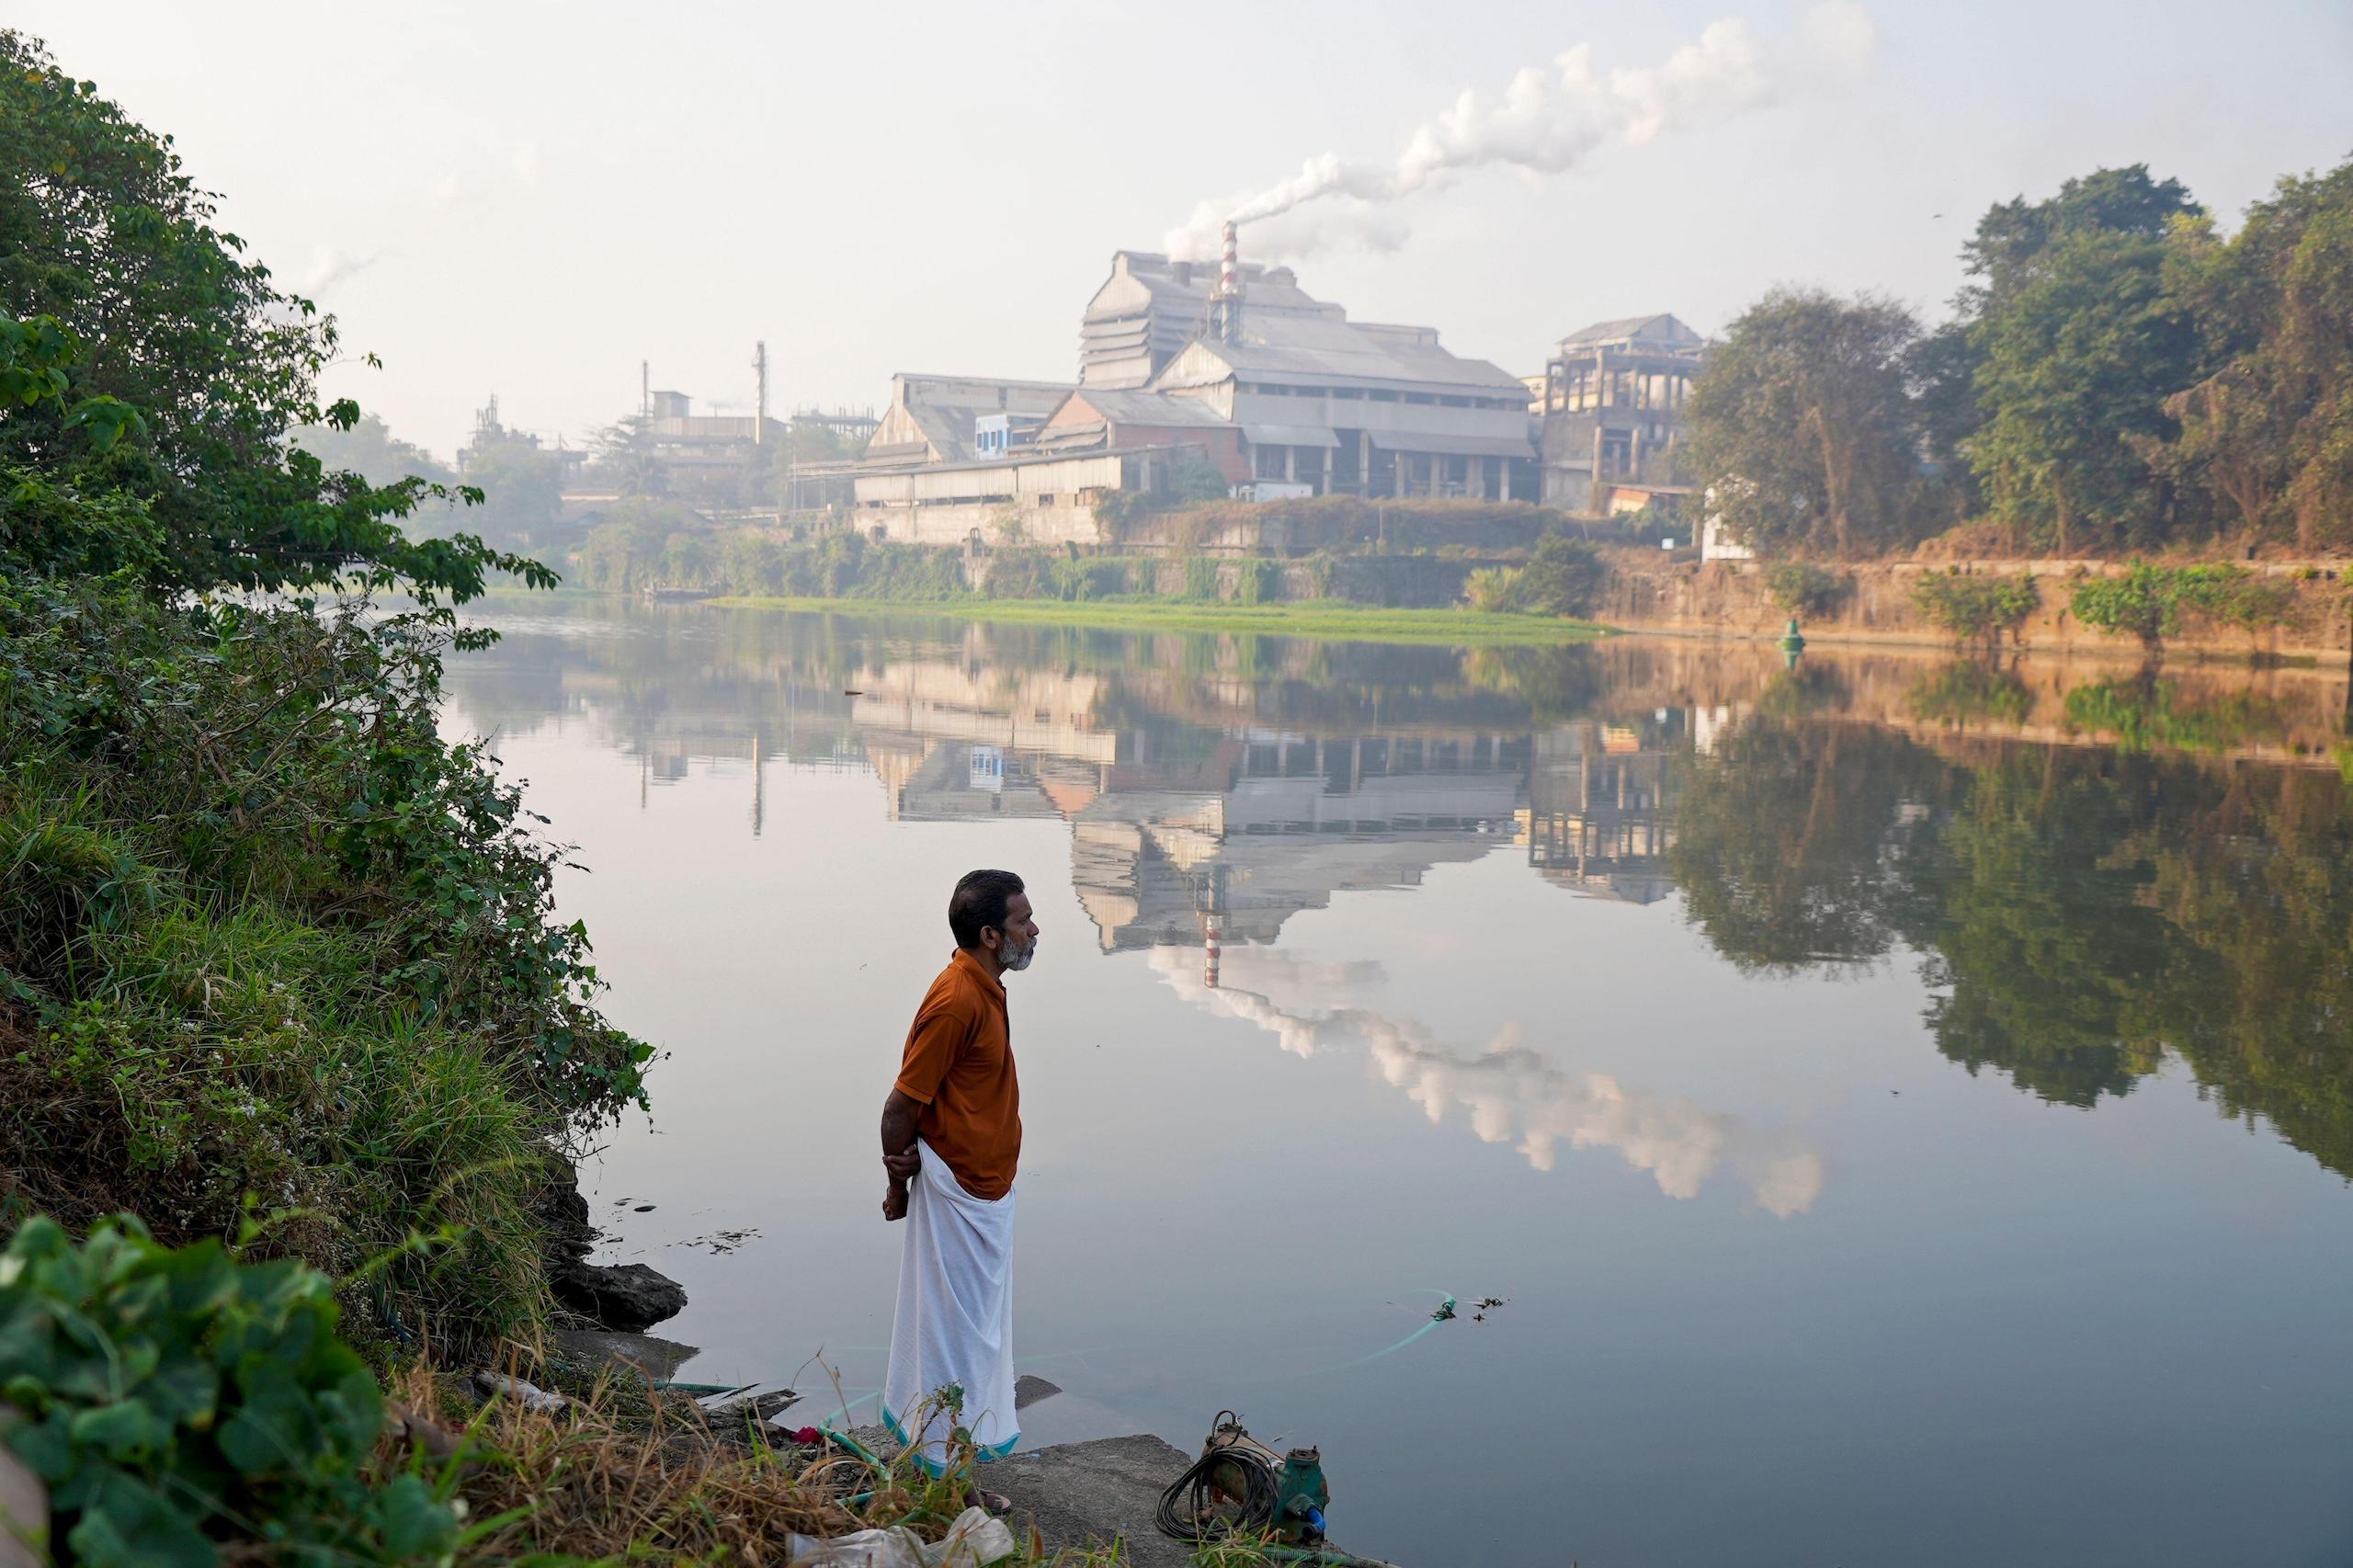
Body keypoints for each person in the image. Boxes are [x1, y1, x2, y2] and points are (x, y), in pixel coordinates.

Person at [879, 868, 1039, 1495]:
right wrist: (897, 1187)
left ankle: (955, 1467)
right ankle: (947, 1480)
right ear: (992, 934)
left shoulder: (987, 986)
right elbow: (899, 1107)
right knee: (955, 1342)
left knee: (977, 1341)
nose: (1035, 929)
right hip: (957, 1194)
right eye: (1024, 921)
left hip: (986, 1190)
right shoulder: (956, 999)